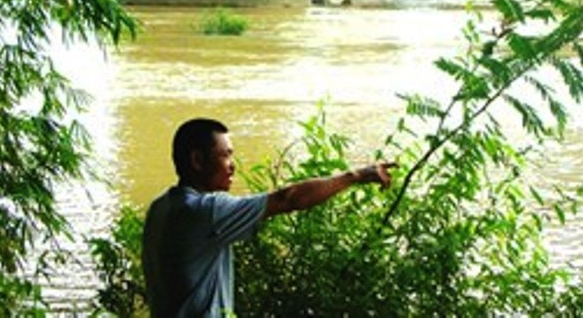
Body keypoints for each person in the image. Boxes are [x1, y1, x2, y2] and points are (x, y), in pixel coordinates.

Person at [142, 117, 396, 317]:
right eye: (225, 154)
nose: (233, 165)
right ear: (197, 160)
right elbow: (288, 199)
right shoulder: (206, 211)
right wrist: (356, 176)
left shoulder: (161, 207)